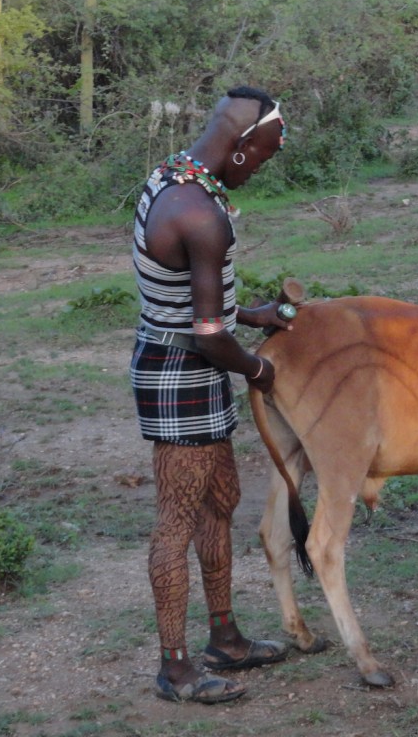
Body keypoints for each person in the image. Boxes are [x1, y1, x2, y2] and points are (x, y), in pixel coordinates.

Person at [129, 86, 293, 704]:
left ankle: (224, 638)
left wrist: (250, 315)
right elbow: (203, 338)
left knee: (220, 501)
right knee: (177, 521)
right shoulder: (203, 215)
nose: (267, 165)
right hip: (181, 378)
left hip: (181, 363)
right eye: (269, 155)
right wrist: (258, 370)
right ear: (244, 148)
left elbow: (193, 303)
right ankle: (175, 668)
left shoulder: (172, 176)